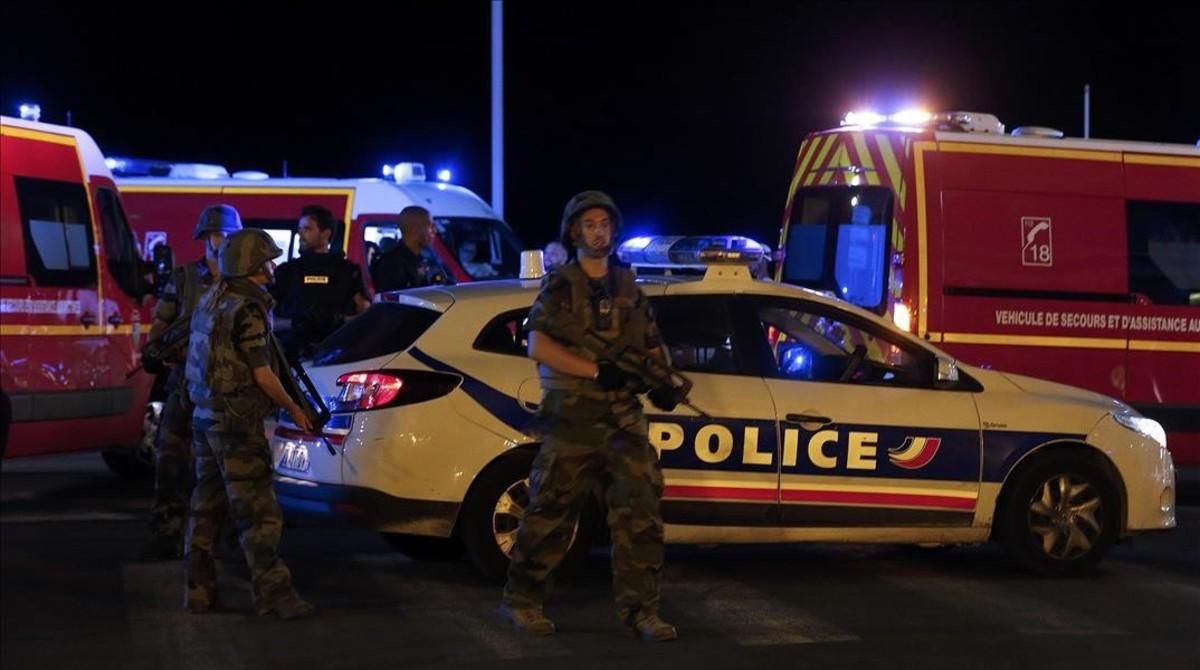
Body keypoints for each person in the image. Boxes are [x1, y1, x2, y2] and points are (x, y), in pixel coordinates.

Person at [499, 190, 680, 642]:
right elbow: (538, 346)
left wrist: (663, 380)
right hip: (572, 419)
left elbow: (652, 344)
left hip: (622, 418)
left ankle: (642, 612)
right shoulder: (560, 285)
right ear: (574, 231)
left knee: (641, 514)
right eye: (589, 224)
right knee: (550, 513)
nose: (598, 231)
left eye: (604, 224)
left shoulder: (627, 285)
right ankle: (523, 600)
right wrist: (600, 371)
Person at [184, 229, 315, 619]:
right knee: (258, 511)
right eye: (267, 261)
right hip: (236, 423)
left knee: (205, 508)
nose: (272, 267)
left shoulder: (212, 298)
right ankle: (274, 594)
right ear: (254, 266)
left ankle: (198, 592)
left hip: (205, 416)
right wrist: (293, 407)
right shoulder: (248, 307)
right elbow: (262, 374)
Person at [139, 204, 242, 561]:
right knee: (170, 461)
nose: (223, 241)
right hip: (184, 384)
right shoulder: (184, 279)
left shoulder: (244, 282)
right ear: (205, 238)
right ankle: (167, 531)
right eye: (217, 235)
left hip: (225, 390)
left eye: (229, 235)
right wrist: (155, 350)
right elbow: (162, 324)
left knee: (227, 470)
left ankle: (227, 539)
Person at [271, 205, 370, 361]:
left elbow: (365, 314)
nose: (300, 234)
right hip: (292, 355)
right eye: (300, 229)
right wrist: (295, 324)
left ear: (325, 234)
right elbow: (266, 319)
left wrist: (338, 322)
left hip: (335, 354)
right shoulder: (287, 272)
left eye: (307, 229)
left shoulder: (347, 271)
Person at [369, 206, 447, 291]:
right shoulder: (391, 265)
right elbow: (393, 301)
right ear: (414, 229)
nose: (434, 231)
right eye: (430, 226)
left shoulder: (422, 259)